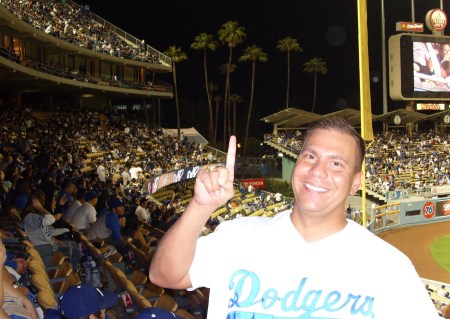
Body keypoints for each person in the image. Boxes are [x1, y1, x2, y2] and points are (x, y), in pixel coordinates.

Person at [149, 117, 439, 318]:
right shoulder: (239, 235)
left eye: (336, 163)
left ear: (356, 182)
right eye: (309, 157)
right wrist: (201, 205)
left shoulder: (389, 267)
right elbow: (163, 274)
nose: (317, 171)